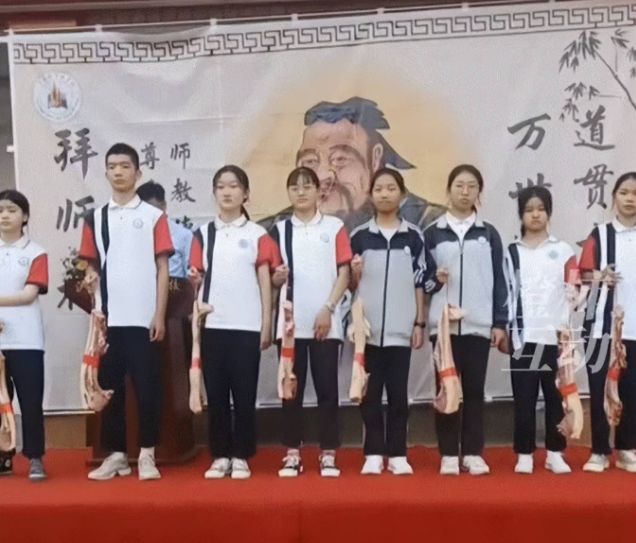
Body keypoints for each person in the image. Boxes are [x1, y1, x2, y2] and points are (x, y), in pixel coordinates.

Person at [78, 143, 174, 481]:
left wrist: (159, 314)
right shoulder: (96, 217)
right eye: (112, 166)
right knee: (109, 389)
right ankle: (116, 455)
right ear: (105, 172)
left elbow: (162, 267)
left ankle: (147, 453)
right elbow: (91, 264)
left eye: (125, 166)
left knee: (147, 388)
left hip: (143, 318)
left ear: (138, 172)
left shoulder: (153, 216)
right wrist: (91, 276)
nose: (118, 171)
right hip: (109, 320)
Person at [189, 165, 280, 480]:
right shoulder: (203, 234)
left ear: (246, 194)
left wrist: (267, 322)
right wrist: (194, 282)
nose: (227, 192)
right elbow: (196, 277)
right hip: (213, 324)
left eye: (233, 186)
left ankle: (241, 454)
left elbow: (266, 282)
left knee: (244, 392)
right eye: (221, 187)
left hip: (247, 325)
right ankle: (220, 455)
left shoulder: (257, 235)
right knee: (216, 393)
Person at [424, 164, 508, 476]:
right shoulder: (433, 233)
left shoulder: (488, 234)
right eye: (459, 185)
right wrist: (435, 279)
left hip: (478, 324)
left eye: (471, 186)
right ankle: (448, 453)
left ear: (478, 193)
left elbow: (500, 279)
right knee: (446, 389)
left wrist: (499, 322)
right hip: (443, 327)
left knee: (474, 390)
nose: (465, 191)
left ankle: (472, 452)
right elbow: (423, 282)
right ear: (448, 190)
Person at [271, 167, 352, 478]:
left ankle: (328, 452)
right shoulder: (279, 230)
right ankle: (292, 452)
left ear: (320, 191)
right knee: (290, 389)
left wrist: (328, 308)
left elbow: (344, 272)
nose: (301, 192)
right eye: (295, 187)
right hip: (290, 326)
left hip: (325, 322)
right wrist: (277, 278)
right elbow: (270, 276)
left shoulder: (334, 227)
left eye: (307, 186)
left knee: (327, 390)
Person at [259, 97, 445, 232]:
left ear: (375, 158)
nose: (322, 175)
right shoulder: (273, 232)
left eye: (340, 159)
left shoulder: (432, 224)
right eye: (310, 162)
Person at [349, 168, 428, 475]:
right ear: (370, 195)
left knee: (398, 395)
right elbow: (348, 285)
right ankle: (372, 453)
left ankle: (397, 454)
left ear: (402, 195)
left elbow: (420, 282)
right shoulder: (360, 237)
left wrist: (419, 323)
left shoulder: (413, 237)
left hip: (400, 330)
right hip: (367, 331)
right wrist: (355, 274)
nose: (384, 194)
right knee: (369, 393)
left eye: (391, 188)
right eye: (379, 189)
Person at [505, 186, 576, 474]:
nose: (535, 215)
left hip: (556, 338)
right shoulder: (512, 252)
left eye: (541, 209)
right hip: (523, 337)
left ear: (549, 213)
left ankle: (555, 452)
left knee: (556, 397)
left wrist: (578, 293)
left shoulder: (563, 250)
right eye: (529, 210)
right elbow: (506, 292)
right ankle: (524, 453)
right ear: (521, 215)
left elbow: (575, 288)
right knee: (524, 398)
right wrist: (504, 328)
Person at [578, 172, 636, 473]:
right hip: (601, 325)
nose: (630, 199)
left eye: (635, 194)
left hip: (634, 328)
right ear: (614, 197)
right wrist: (600, 277)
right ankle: (599, 450)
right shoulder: (599, 235)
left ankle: (627, 448)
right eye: (624, 192)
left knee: (631, 390)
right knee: (600, 388)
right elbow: (580, 275)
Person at [0, 190, 48, 481]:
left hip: (26, 339)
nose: (5, 215)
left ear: (25, 216)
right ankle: (3, 454)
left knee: (30, 401)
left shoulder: (35, 252)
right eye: (1, 210)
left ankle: (35, 457)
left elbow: (29, 294)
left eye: (12, 210)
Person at [137, 181, 193, 279]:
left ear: (163, 205)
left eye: (152, 209)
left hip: (173, 286)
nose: (149, 215)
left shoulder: (184, 235)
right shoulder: (134, 234)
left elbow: (190, 276)